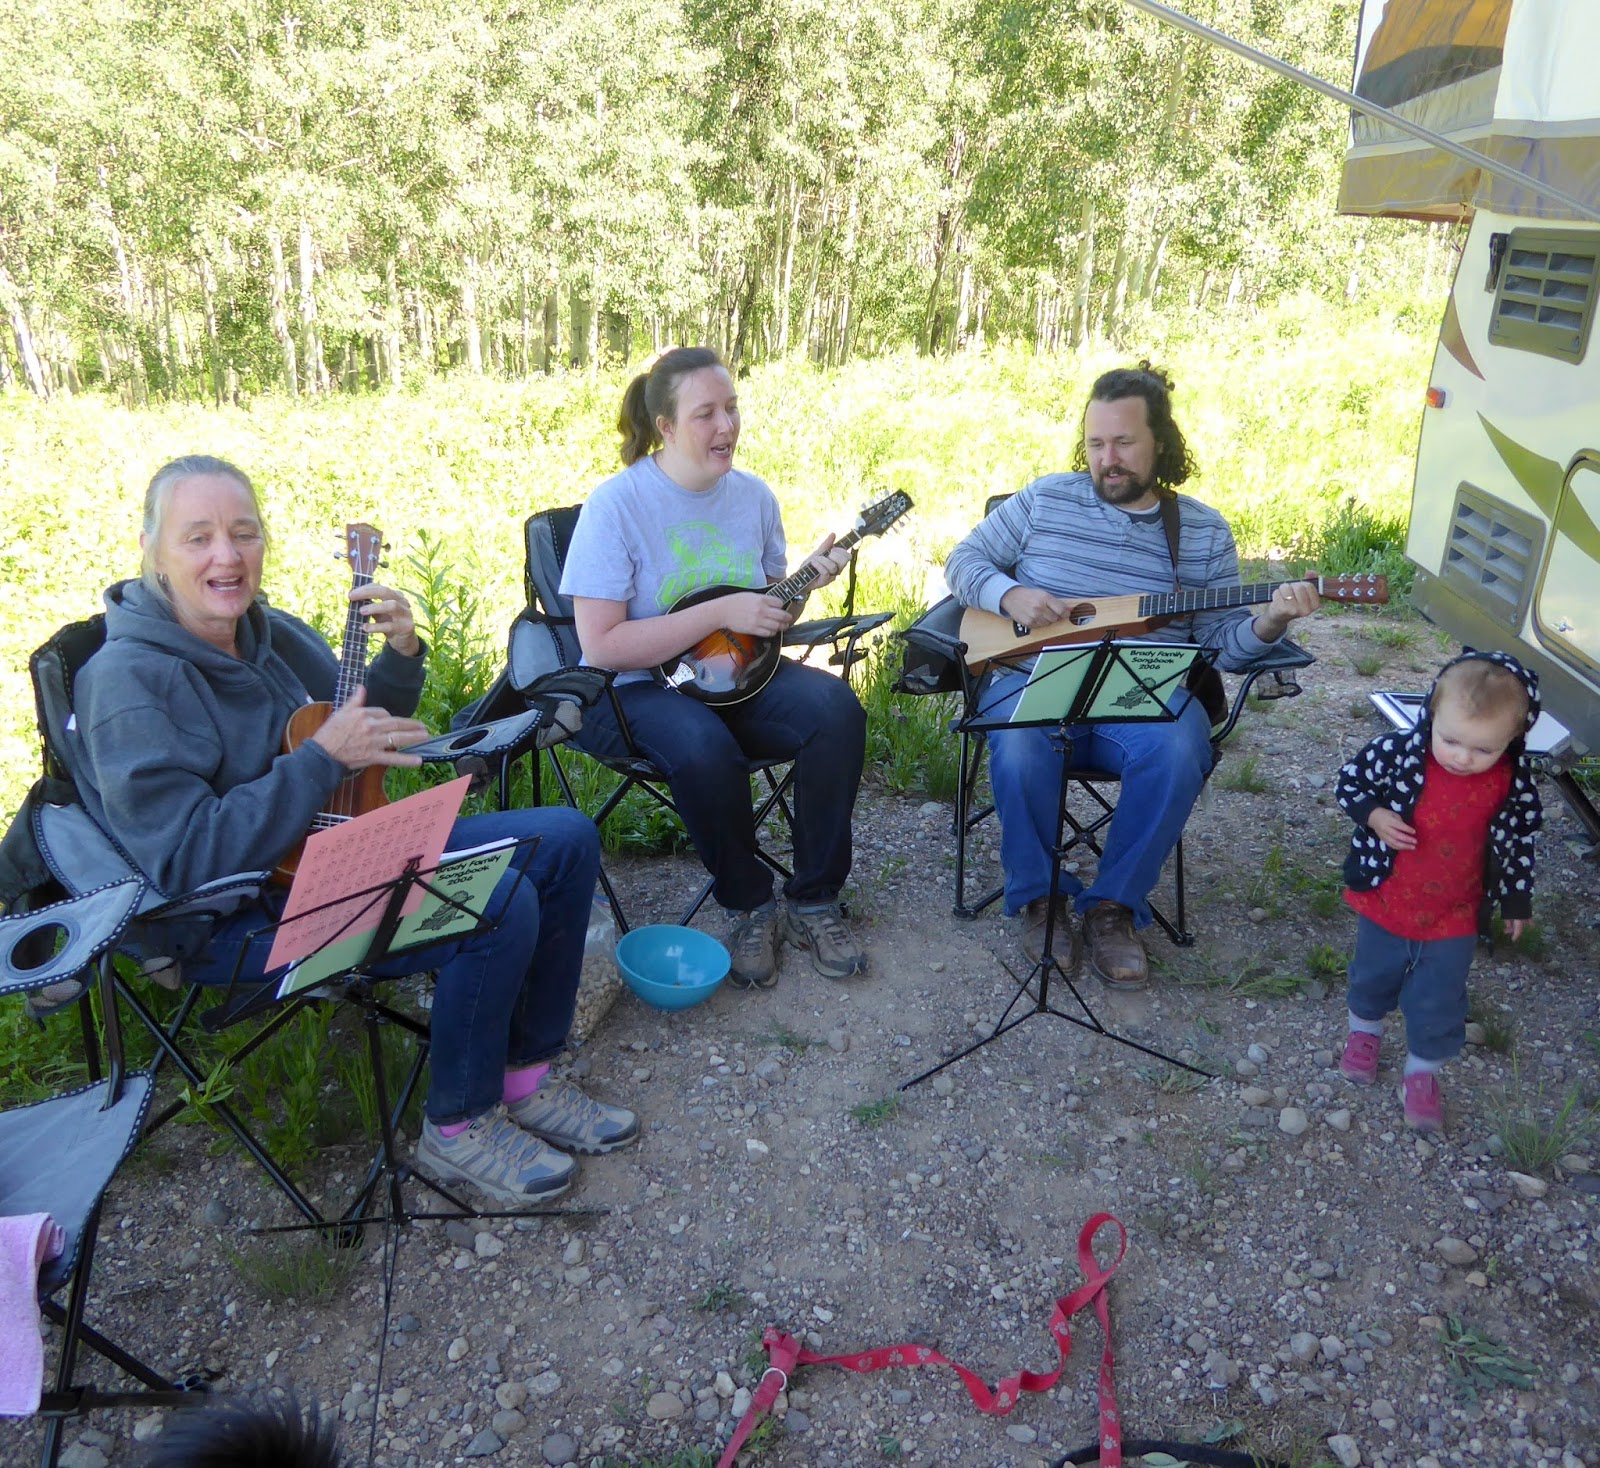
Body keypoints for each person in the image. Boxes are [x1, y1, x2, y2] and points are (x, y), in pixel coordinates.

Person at [71, 455, 638, 1208]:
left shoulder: (265, 632)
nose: (226, 556)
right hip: (235, 914)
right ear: (152, 550)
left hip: (334, 851)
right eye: (197, 537)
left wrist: (401, 655)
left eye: (244, 533)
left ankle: (525, 1078)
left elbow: (356, 723)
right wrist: (318, 761)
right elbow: (182, 858)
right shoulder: (127, 683)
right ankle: (458, 1124)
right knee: (496, 902)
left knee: (565, 839)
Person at [943, 363, 1321, 989]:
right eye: (1096, 443)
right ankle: (1041, 898)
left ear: (1161, 443)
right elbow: (964, 560)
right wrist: (1009, 595)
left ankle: (1113, 907)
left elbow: (1224, 647)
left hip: (1142, 689)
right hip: (1031, 674)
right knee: (1018, 741)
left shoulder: (1200, 531)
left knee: (1179, 749)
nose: (1108, 459)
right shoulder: (1045, 499)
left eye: (1124, 442)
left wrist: (1273, 620)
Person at [560, 346, 868, 989]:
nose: (726, 426)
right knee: (701, 744)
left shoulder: (753, 498)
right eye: (705, 414)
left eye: (732, 408)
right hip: (632, 689)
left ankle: (814, 898)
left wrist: (803, 586)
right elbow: (603, 645)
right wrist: (721, 610)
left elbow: (767, 611)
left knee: (835, 710)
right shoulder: (617, 505)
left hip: (735, 677)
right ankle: (750, 903)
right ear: (666, 426)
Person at [1334, 650, 1541, 1133]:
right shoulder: (1399, 753)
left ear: (1514, 737)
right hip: (1387, 898)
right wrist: (1375, 815)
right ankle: (1364, 1034)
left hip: (1456, 913)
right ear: (1431, 713)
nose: (1463, 757)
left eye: (1483, 749)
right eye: (1450, 740)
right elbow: (1349, 782)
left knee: (1439, 998)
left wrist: (1516, 899)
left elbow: (1519, 841)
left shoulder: (1511, 784)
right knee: (1372, 976)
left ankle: (1421, 1072)